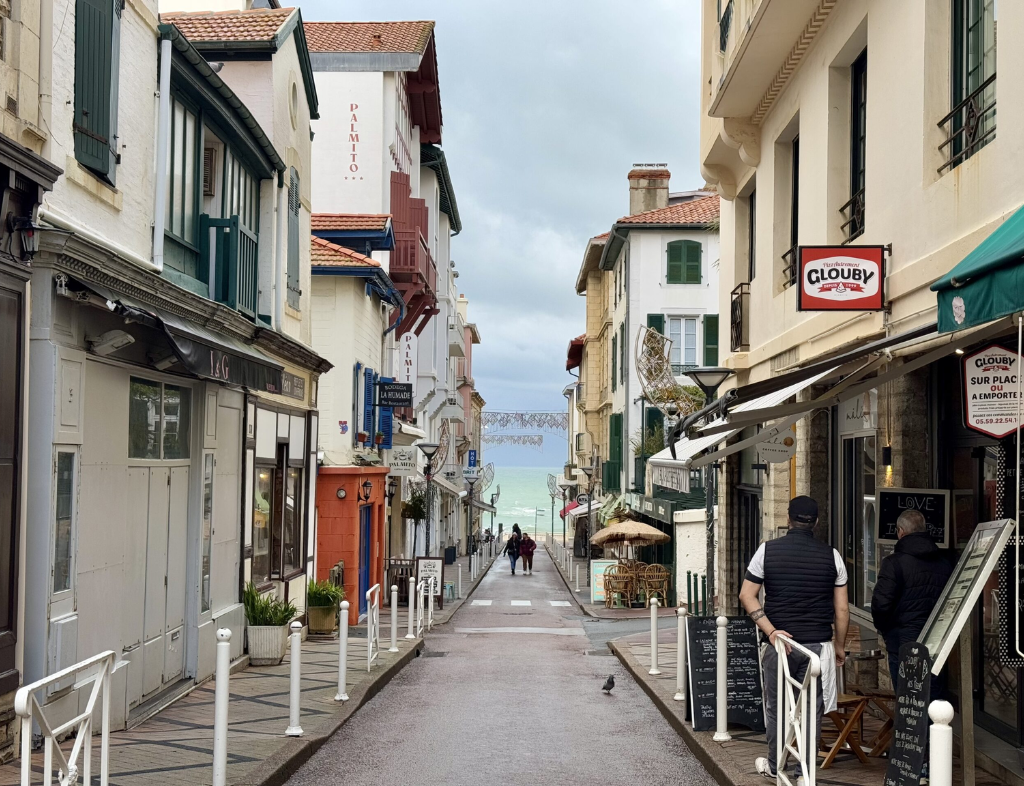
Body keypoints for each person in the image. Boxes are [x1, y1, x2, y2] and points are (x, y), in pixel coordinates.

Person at [739, 496, 849, 780]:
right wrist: (839, 646)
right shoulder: (832, 556)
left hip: (780, 645)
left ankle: (777, 768)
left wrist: (771, 630)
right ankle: (806, 773)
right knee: (812, 713)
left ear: (788, 519)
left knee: (776, 709)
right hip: (818, 647)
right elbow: (842, 609)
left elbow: (746, 596)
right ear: (816, 522)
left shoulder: (767, 551)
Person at [871, 509, 953, 694]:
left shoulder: (894, 563)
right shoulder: (944, 562)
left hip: (902, 640)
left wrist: (885, 630)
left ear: (900, 531)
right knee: (932, 693)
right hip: (935, 638)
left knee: (907, 697)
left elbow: (881, 604)